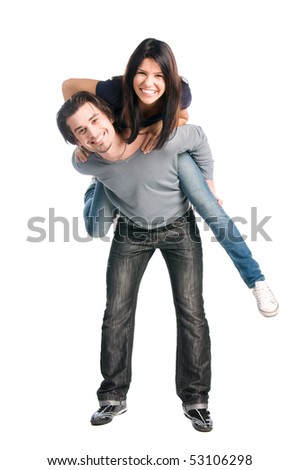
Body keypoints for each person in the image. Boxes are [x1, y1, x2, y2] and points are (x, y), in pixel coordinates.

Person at [62, 38, 279, 317]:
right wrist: (82, 135)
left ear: (170, 79)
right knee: (94, 227)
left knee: (211, 209)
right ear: (130, 74)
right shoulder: (115, 90)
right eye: (141, 73)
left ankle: (256, 280)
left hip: (168, 154)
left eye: (159, 76)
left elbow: (185, 118)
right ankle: (97, 185)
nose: (148, 83)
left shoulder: (181, 94)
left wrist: (166, 126)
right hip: (115, 160)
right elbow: (68, 87)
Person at [57, 91, 214, 432]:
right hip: (130, 232)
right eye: (80, 132)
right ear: (75, 141)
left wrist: (210, 182)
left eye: (95, 121)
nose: (92, 132)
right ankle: (112, 397)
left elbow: (196, 134)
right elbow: (83, 152)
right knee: (116, 312)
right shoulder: (84, 160)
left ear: (110, 116)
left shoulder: (151, 133)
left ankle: (196, 400)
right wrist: (84, 150)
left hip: (178, 228)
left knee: (191, 312)